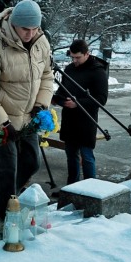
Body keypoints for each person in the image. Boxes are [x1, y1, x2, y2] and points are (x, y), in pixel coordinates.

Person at [0, 0, 54, 219]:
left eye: (35, 28)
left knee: (32, 161)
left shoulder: (40, 42)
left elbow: (46, 75)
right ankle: (3, 218)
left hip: (28, 118)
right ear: (13, 24)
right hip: (2, 122)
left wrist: (41, 105)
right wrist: (2, 122)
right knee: (7, 170)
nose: (30, 33)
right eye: (26, 29)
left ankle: (4, 197)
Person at [52, 39, 108, 184]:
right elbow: (62, 90)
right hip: (70, 119)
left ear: (87, 54)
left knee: (87, 156)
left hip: (86, 120)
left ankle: (90, 189)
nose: (74, 60)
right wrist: (57, 99)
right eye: (72, 57)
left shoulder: (98, 71)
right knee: (71, 155)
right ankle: (71, 188)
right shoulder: (70, 69)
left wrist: (78, 103)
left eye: (78, 57)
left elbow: (101, 99)